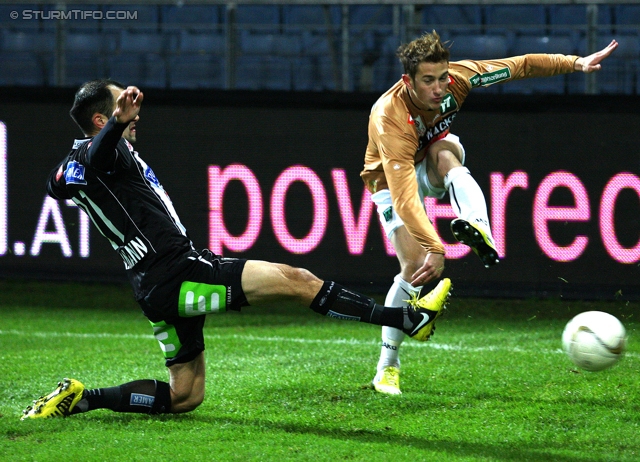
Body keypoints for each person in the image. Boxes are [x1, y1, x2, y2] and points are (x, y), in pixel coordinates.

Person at [20, 79, 452, 420]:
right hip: (176, 272)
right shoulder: (106, 153)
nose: (133, 113)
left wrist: (108, 136)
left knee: (186, 395)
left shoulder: (81, 162)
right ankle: (408, 320)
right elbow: (91, 162)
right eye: (120, 108)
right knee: (297, 280)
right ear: (101, 120)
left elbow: (59, 181)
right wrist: (116, 126)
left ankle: (81, 399)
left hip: (154, 284)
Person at [363, 30, 618, 395]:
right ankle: (387, 367)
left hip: (429, 156)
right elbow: (405, 198)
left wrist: (575, 63)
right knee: (413, 265)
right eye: (428, 81)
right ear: (409, 81)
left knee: (445, 150)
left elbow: (521, 65)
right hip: (390, 180)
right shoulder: (390, 116)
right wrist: (435, 247)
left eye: (442, 78)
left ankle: (478, 225)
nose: (439, 89)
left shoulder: (460, 78)